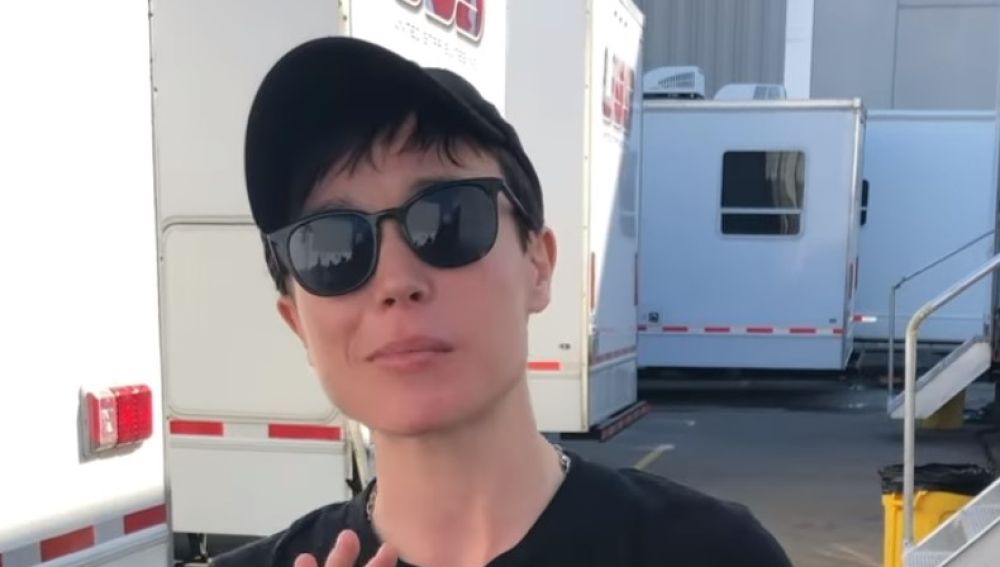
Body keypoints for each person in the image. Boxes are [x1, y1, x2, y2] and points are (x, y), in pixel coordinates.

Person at [212, 37, 793, 567]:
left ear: (538, 264)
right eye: (331, 246)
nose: (395, 280)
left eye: (449, 218)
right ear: (296, 321)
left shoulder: (716, 554)